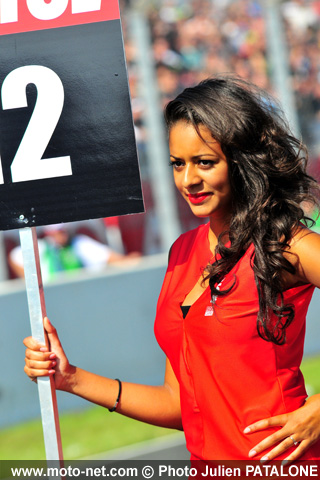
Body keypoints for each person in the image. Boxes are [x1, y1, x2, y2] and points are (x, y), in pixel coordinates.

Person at [23, 76, 320, 462]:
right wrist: (72, 378)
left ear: (241, 162)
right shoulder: (183, 251)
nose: (188, 180)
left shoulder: (287, 245)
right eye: (178, 164)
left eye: (205, 163)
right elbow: (178, 403)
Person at [9, 224, 141, 281]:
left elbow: (112, 259)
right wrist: (33, 282)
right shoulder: (42, 248)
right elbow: (14, 257)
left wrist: (131, 262)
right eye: (56, 232)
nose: (60, 236)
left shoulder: (79, 244)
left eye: (62, 231)